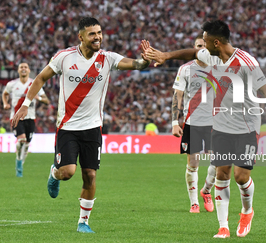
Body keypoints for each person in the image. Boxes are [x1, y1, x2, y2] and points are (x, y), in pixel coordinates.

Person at [144, 20, 266, 238]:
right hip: (220, 125)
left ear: (216, 42)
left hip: (246, 125)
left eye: (206, 41)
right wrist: (165, 55)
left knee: (241, 176)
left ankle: (247, 211)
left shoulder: (246, 62)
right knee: (222, 173)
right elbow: (191, 53)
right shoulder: (210, 56)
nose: (202, 46)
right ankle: (223, 227)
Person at [12, 17, 150, 233]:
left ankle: (83, 222)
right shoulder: (64, 57)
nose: (98, 37)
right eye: (92, 34)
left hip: (93, 127)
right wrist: (26, 104)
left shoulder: (107, 58)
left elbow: (135, 64)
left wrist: (145, 61)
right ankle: (54, 173)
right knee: (67, 172)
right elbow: (39, 78)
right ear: (81, 36)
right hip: (67, 126)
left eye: (100, 33)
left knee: (91, 175)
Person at [172, 35, 216, 213]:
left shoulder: (219, 68)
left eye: (205, 46)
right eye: (199, 46)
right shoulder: (185, 69)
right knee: (193, 163)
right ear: (193, 48)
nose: (202, 50)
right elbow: (178, 96)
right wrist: (175, 122)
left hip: (215, 122)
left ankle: (206, 190)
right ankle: (194, 203)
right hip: (192, 123)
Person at [2, 62, 49, 177]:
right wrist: (5, 103)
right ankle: (18, 160)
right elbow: (5, 93)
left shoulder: (34, 83)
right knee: (21, 140)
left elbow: (46, 100)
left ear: (29, 70)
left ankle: (20, 164)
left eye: (25, 67)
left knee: (27, 144)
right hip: (16, 117)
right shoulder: (12, 84)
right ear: (18, 70)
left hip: (30, 118)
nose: (23, 69)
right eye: (21, 67)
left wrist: (38, 98)